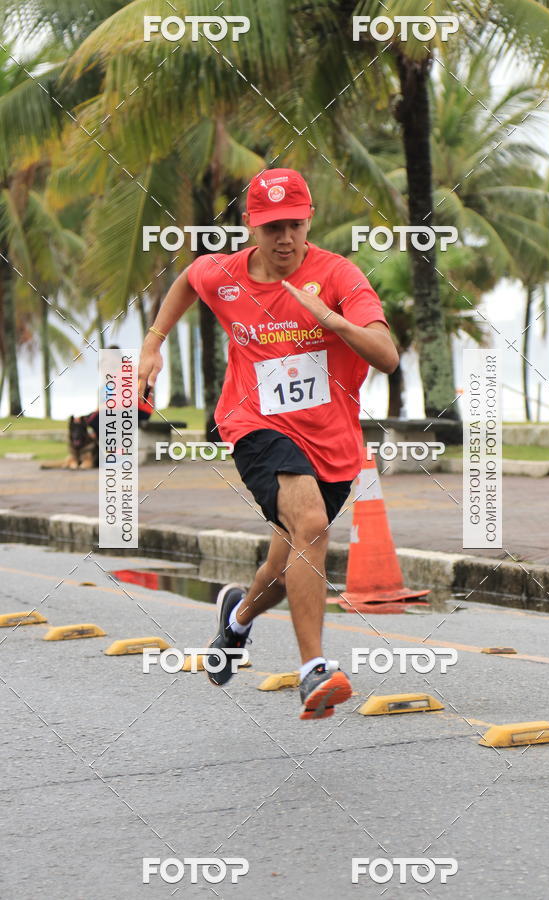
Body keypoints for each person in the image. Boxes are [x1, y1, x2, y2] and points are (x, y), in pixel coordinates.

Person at [138, 169, 399, 720]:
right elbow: (188, 278)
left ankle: (236, 619)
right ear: (249, 226)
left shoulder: (339, 275)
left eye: (294, 225)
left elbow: (387, 354)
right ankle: (314, 672)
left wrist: (332, 320)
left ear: (311, 220)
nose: (283, 238)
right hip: (254, 423)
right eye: (271, 226)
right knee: (310, 525)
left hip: (330, 439)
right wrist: (153, 343)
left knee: (284, 571)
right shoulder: (225, 273)